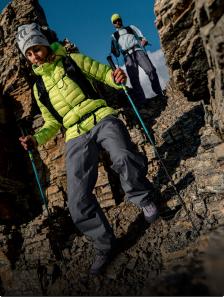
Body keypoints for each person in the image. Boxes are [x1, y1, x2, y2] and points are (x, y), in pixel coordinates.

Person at [16, 22, 159, 275]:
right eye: (28, 53)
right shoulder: (39, 89)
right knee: (76, 198)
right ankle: (104, 244)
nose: (34, 56)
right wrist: (36, 139)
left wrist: (117, 78)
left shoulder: (73, 60)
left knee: (123, 156)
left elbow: (105, 74)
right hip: (73, 134)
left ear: (45, 44)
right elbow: (51, 123)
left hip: (101, 116)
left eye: (35, 49)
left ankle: (143, 198)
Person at [110, 13, 164, 105]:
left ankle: (159, 93)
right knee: (134, 79)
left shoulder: (130, 28)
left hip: (138, 50)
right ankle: (142, 101)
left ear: (121, 20)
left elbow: (141, 36)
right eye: (115, 21)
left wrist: (144, 40)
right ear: (113, 24)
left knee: (151, 70)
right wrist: (114, 51)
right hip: (127, 57)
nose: (117, 22)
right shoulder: (114, 36)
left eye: (118, 20)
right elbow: (117, 53)